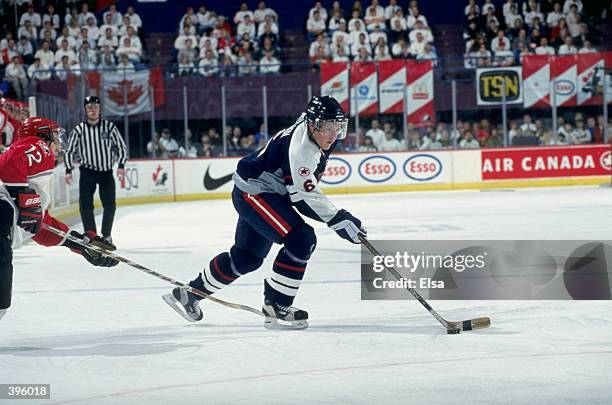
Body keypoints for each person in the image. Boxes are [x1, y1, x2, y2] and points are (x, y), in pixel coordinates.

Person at [163, 96, 366, 330]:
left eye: (337, 127)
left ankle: (189, 294)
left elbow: (301, 191)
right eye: (328, 128)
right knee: (302, 239)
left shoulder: (314, 131)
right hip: (255, 193)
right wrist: (338, 219)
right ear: (312, 125)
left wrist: (336, 218)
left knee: (246, 258)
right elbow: (302, 198)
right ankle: (277, 304)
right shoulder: (301, 149)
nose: (333, 135)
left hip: (261, 192)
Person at [0, 117, 118, 321]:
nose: (58, 143)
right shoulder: (38, 146)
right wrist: (23, 195)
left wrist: (80, 243)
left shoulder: (32, 172)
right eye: (54, 136)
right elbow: (10, 161)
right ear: (43, 135)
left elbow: (40, 227)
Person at [64, 96, 127, 250]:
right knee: (85, 206)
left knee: (110, 205)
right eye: (90, 107)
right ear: (85, 110)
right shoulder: (79, 130)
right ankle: (91, 236)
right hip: (87, 172)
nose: (93, 110)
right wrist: (68, 170)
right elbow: (69, 151)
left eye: (95, 107)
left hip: (106, 172)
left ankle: (106, 236)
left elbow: (121, 147)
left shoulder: (109, 127)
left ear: (100, 109)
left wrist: (121, 166)